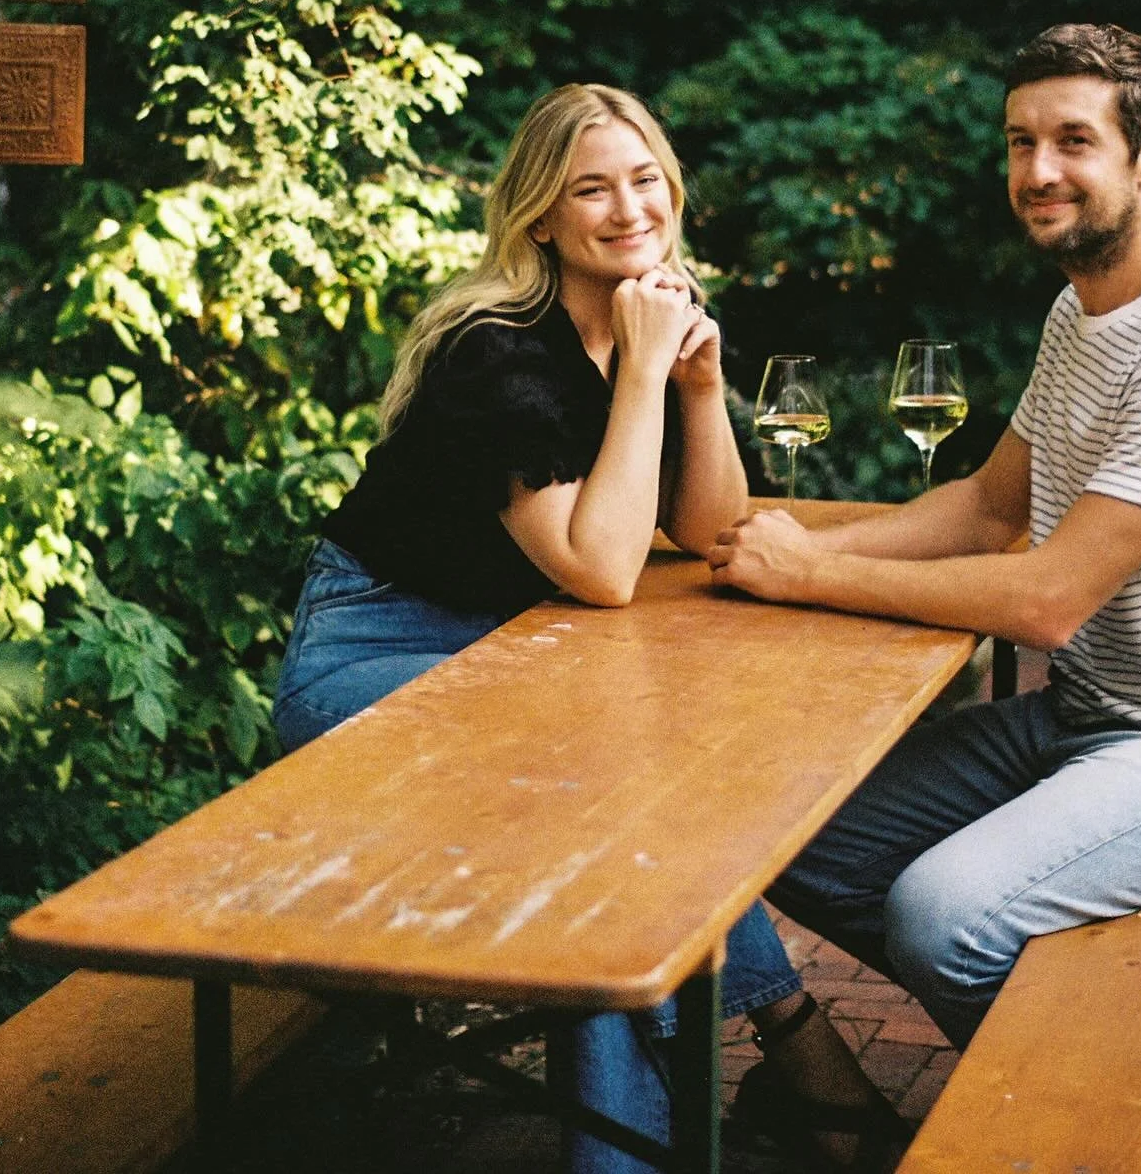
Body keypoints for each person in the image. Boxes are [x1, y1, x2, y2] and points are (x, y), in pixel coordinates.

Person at [274, 82, 902, 1173]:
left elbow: (707, 527)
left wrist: (698, 386)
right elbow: (605, 571)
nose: (627, 209)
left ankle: (689, 1116)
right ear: (541, 218)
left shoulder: (644, 316)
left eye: (645, 180)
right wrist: (648, 368)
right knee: (607, 823)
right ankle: (790, 1048)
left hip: (513, 657)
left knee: (612, 831)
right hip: (372, 657)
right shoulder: (496, 350)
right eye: (591, 190)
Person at [709, 22, 1141, 1077]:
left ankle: (1102, 1115)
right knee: (784, 829)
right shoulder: (1084, 310)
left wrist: (810, 573)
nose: (1038, 172)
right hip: (1092, 714)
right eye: (1018, 143)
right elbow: (992, 508)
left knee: (944, 917)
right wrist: (785, 539)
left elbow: (1048, 602)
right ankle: (1051, 1028)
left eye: (1073, 141)